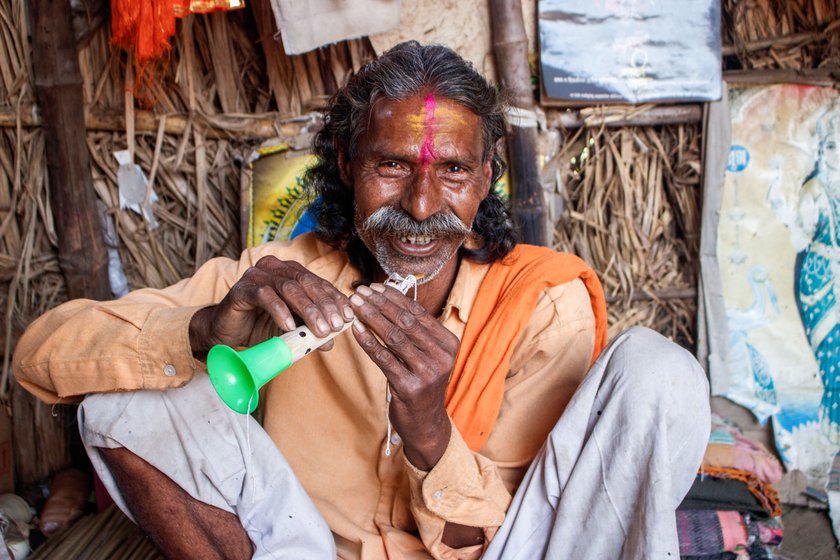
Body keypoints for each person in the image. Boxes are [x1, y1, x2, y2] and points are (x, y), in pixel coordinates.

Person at [13, 41, 710, 559]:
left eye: (455, 172)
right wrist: (203, 328)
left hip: (497, 554)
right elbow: (40, 354)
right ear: (347, 166)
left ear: (487, 180)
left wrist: (431, 432)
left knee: (660, 371)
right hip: (305, 547)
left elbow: (508, 527)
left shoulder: (540, 302)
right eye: (391, 166)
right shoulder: (287, 275)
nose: (421, 205)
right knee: (119, 401)